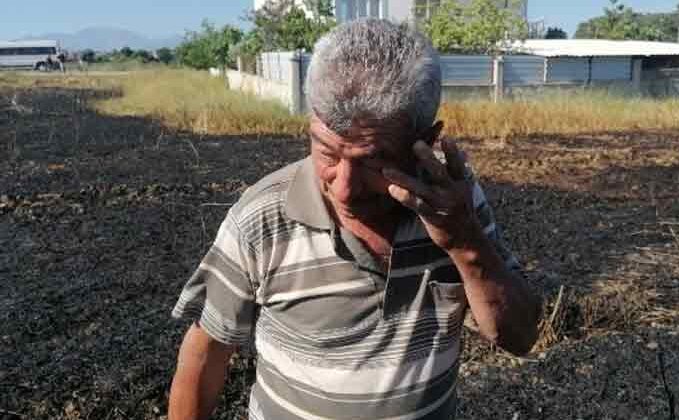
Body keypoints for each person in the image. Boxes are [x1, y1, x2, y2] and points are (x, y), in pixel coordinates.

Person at [168, 19, 541, 420]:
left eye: (373, 162)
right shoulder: (262, 216)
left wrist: (465, 242)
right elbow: (204, 355)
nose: (343, 188)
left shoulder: (454, 206)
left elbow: (519, 337)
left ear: (427, 141)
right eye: (326, 152)